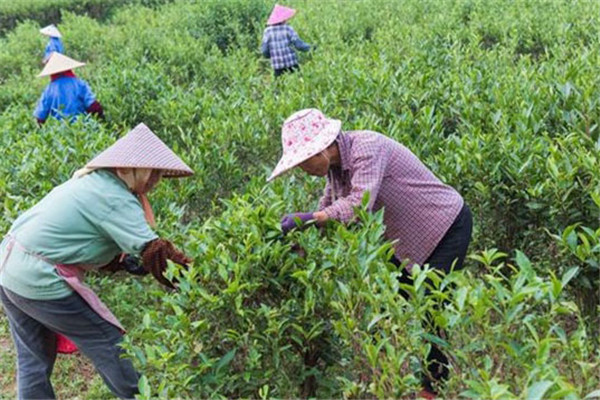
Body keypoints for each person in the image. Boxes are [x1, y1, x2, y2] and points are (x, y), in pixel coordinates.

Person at [269, 108, 473, 399]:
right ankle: (386, 376)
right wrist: (303, 237)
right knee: (392, 302)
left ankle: (432, 389)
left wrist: (312, 218)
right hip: (405, 241)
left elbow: (357, 205)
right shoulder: (335, 169)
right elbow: (329, 204)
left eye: (304, 161)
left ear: (323, 148)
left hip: (445, 225)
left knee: (432, 307)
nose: (303, 168)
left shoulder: (367, 147)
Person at [0, 123, 194, 399]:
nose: (156, 180)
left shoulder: (92, 182)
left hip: (8, 269)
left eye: (160, 173)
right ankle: (140, 396)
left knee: (33, 358)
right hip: (36, 277)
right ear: (126, 168)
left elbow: (77, 238)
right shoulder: (114, 196)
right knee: (107, 341)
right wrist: (200, 282)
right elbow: (156, 253)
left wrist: (122, 262)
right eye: (153, 172)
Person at [33, 52, 104, 125]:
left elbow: (40, 117)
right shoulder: (79, 84)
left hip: (61, 132)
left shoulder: (49, 90)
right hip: (82, 126)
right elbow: (93, 106)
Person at [261, 4, 312, 77]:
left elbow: (264, 50)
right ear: (283, 19)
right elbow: (299, 45)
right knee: (299, 83)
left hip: (277, 65)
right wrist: (312, 48)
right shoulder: (288, 28)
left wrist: (272, 56)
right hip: (291, 63)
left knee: (278, 85)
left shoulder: (267, 31)